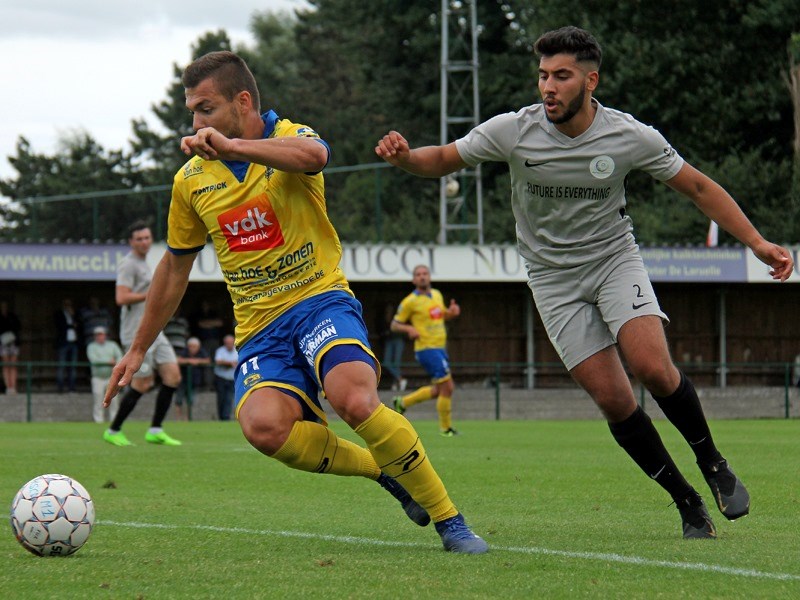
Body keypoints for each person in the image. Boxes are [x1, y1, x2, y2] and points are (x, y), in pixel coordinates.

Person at [375, 26, 794, 539]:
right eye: (543, 75)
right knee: (615, 401)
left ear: (590, 81)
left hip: (614, 260)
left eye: (562, 76)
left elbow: (698, 187)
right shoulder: (513, 130)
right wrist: (405, 158)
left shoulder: (628, 136)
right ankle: (687, 503)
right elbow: (441, 159)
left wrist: (756, 242)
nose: (548, 86)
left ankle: (713, 464)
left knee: (652, 367)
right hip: (551, 279)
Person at [104, 51, 487, 553]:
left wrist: (235, 146)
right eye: (192, 113)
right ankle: (381, 470)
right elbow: (175, 267)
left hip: (319, 300)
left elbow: (315, 158)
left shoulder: (293, 134)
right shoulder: (191, 181)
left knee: (353, 398)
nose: (196, 124)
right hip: (260, 328)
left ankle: (450, 520)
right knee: (264, 428)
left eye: (206, 108)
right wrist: (137, 349)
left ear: (242, 102)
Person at [103, 220, 183, 447]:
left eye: (147, 237)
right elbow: (121, 297)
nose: (144, 242)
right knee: (142, 383)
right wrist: (151, 295)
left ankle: (156, 430)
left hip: (156, 330)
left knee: (173, 376)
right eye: (139, 238)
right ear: (131, 242)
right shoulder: (128, 265)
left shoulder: (146, 263)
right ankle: (113, 429)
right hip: (135, 332)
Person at [391, 266, 461, 437]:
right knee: (448, 387)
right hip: (426, 348)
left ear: (429, 277)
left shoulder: (436, 294)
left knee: (439, 390)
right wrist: (408, 329)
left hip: (439, 347)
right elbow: (394, 324)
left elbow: (440, 315)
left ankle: (403, 402)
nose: (422, 277)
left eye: (425, 274)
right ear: (414, 280)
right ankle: (446, 429)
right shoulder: (410, 301)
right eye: (418, 275)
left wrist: (451, 313)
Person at [86, 326, 123, 423]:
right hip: (97, 378)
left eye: (101, 334)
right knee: (98, 400)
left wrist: (116, 363)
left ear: (105, 335)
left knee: (114, 401)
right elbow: (94, 360)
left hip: (111, 378)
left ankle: (114, 421)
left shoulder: (113, 345)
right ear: (95, 336)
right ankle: (99, 421)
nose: (100, 336)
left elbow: (120, 356)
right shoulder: (91, 346)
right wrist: (109, 362)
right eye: (97, 335)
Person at [176, 337, 211, 420]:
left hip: (194, 381)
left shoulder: (201, 351)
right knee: (178, 400)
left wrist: (198, 361)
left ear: (198, 347)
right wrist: (189, 360)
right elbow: (178, 360)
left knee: (190, 400)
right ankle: (178, 418)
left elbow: (207, 360)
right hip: (182, 380)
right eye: (191, 346)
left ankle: (187, 418)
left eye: (194, 346)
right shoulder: (184, 351)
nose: (192, 348)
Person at [377, 302, 407, 392]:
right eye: (387, 309)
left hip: (398, 340)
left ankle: (396, 383)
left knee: (396, 363)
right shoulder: (383, 319)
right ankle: (401, 379)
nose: (388, 311)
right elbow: (381, 329)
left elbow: (402, 327)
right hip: (388, 340)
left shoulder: (397, 317)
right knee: (387, 363)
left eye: (390, 309)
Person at [54, 298, 79, 393]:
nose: (68, 306)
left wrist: (72, 316)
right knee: (62, 365)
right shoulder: (59, 314)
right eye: (66, 304)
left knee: (73, 366)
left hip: (73, 343)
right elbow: (60, 326)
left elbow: (78, 324)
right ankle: (60, 388)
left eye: (69, 304)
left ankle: (72, 388)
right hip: (63, 343)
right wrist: (72, 326)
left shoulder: (74, 314)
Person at [213, 334, 238, 421]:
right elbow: (218, 361)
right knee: (221, 398)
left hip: (232, 379)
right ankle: (221, 417)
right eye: (227, 343)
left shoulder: (237, 350)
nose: (229, 345)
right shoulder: (220, 350)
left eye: (231, 343)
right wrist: (230, 363)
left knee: (229, 398)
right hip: (221, 378)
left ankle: (226, 417)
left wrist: (230, 363)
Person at [0, 300, 21, 394]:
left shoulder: (12, 316)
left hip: (13, 342)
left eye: (5, 306)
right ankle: (8, 387)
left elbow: (18, 326)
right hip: (2, 343)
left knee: (13, 365)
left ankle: (13, 386)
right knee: (6, 365)